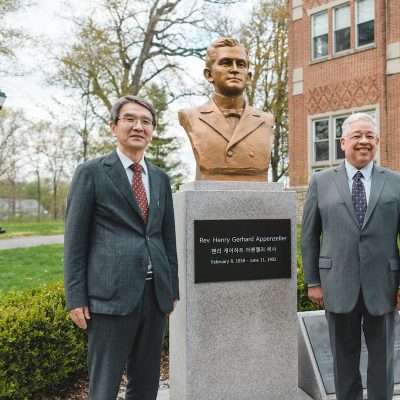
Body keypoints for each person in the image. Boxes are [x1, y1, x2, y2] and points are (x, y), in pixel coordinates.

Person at [64, 95, 179, 400]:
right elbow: (75, 240)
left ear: (152, 130)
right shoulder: (91, 172)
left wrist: (172, 288)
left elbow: (166, 238)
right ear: (113, 126)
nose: (138, 126)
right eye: (130, 119)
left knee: (146, 381)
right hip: (109, 298)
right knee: (104, 385)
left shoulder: (160, 178)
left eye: (146, 121)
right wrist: (75, 297)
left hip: (155, 297)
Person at [301, 113, 400, 400]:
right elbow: (308, 237)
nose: (364, 141)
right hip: (337, 284)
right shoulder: (320, 181)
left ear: (377, 142)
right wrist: (313, 281)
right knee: (343, 359)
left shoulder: (396, 182)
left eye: (370, 136)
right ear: (343, 142)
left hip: (384, 286)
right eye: (357, 136)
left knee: (382, 361)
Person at [178, 37, 273, 181]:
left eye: (241, 64)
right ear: (208, 74)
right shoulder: (191, 117)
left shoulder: (266, 120)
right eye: (226, 63)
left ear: (248, 77)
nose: (234, 69)